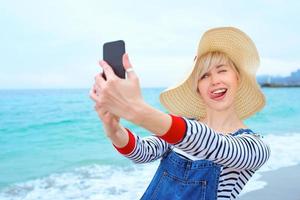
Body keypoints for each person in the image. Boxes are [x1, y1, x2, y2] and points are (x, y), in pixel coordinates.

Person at [89, 27, 271, 200]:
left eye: (222, 70)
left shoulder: (255, 147)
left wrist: (137, 111)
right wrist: (112, 128)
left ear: (237, 78)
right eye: (204, 76)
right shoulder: (179, 128)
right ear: (198, 88)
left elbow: (212, 144)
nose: (214, 80)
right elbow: (142, 152)